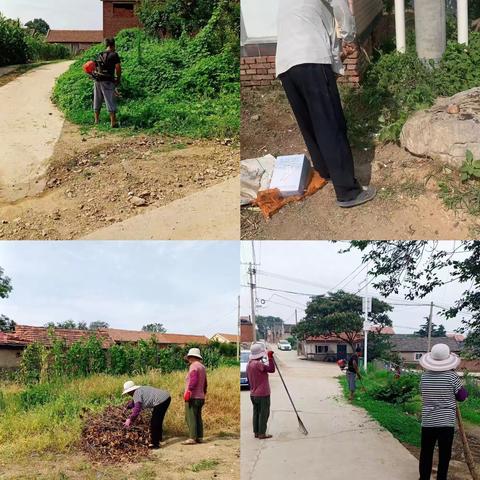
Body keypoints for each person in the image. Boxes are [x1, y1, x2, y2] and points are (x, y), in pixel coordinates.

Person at [276, 0, 376, 208]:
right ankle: (348, 192)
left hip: (285, 65)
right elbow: (341, 7)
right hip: (311, 57)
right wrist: (349, 36)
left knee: (309, 123)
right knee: (330, 125)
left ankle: (326, 170)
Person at [419, 343, 468, 480]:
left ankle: (423, 478)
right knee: (444, 454)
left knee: (426, 452)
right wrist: (463, 390)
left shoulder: (424, 377)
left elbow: (423, 393)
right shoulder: (452, 377)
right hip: (446, 423)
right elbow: (462, 396)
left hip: (428, 421)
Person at [122, 380, 171, 449]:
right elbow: (135, 401)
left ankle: (155, 443)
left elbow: (137, 409)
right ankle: (159, 438)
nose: (128, 394)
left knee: (154, 422)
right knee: (158, 419)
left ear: (131, 391)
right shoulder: (140, 390)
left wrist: (130, 419)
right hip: (166, 397)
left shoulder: (136, 393)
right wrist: (128, 406)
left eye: (128, 392)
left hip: (161, 401)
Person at [246, 342, 275, 439]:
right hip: (263, 394)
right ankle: (262, 433)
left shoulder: (249, 364)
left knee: (256, 413)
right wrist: (270, 358)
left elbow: (248, 380)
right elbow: (271, 369)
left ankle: (256, 432)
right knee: (264, 413)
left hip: (253, 394)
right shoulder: (258, 364)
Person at [93, 37, 121, 128]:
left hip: (97, 80)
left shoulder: (100, 54)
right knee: (110, 100)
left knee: (97, 99)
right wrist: (118, 78)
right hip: (108, 81)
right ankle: (113, 122)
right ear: (113, 45)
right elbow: (118, 68)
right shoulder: (114, 54)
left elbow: (96, 67)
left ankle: (96, 120)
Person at [183, 347, 208, 445]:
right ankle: (200, 437)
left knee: (190, 417)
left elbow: (193, 379)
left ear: (192, 357)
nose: (188, 360)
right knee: (198, 417)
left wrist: (189, 391)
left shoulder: (193, 366)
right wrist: (204, 392)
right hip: (201, 397)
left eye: (189, 358)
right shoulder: (202, 367)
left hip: (193, 397)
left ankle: (192, 437)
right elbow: (205, 383)